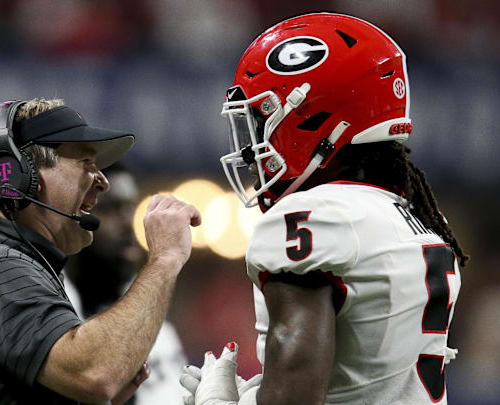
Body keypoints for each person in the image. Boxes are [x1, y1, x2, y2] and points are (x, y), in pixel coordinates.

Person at [180, 13, 468, 405]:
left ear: (312, 116)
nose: (252, 148)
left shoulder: (315, 215)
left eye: (262, 119)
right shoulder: (413, 214)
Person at [0, 98, 201, 405]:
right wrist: (164, 259)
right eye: (86, 163)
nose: (102, 181)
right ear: (20, 175)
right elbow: (95, 375)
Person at [64, 163, 189, 405]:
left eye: (131, 208)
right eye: (112, 209)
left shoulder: (159, 327)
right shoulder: (46, 310)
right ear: (75, 217)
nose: (129, 224)